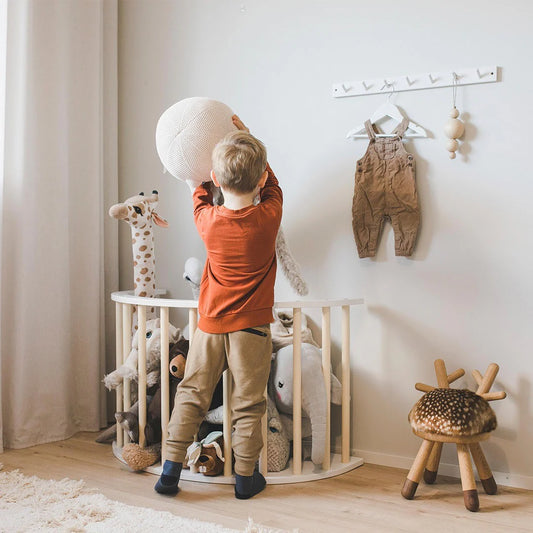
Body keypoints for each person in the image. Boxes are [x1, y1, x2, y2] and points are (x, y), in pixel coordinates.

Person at [155, 115, 282, 499]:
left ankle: (170, 471)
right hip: (251, 330)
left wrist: (203, 171)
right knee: (248, 404)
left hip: (209, 326)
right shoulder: (269, 216)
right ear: (260, 179)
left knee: (191, 393)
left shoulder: (206, 220)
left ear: (214, 178)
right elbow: (273, 184)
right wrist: (247, 133)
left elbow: (197, 187)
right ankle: (245, 478)